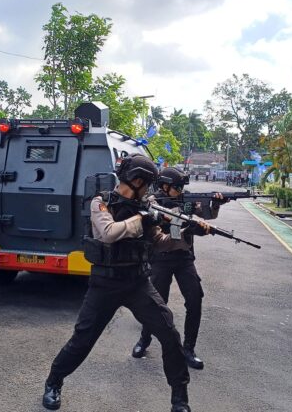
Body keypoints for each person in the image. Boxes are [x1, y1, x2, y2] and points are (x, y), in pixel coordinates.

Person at [42, 154, 209, 412]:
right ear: (137, 180)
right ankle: (54, 381)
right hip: (104, 285)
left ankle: (180, 399)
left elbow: (163, 242)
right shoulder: (102, 202)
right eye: (148, 184)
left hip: (138, 283)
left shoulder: (147, 208)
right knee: (82, 340)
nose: (150, 191)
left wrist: (186, 231)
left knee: (169, 335)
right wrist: (142, 219)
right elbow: (108, 233)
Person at [131, 167, 228, 370]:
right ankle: (144, 340)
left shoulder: (186, 201)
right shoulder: (152, 202)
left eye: (182, 187)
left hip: (184, 258)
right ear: (164, 187)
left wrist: (215, 205)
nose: (181, 191)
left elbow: (207, 215)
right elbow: (165, 227)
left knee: (194, 299)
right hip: (161, 258)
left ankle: (189, 349)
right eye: (177, 187)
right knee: (155, 304)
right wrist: (180, 217)